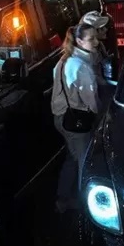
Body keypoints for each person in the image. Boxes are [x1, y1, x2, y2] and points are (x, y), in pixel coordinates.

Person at [50, 23, 108, 213]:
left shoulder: (63, 61)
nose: (96, 42)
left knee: (72, 157)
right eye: (91, 39)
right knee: (84, 161)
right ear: (80, 41)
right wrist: (102, 118)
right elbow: (92, 102)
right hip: (77, 122)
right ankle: (85, 206)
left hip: (61, 118)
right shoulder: (81, 67)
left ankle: (62, 198)